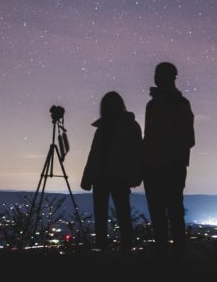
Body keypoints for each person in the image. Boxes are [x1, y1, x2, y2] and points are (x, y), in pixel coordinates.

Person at [142, 61, 194, 258]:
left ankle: (175, 255)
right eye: (156, 73)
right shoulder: (153, 105)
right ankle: (164, 255)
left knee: (172, 211)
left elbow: (188, 138)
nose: (156, 77)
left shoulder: (179, 104)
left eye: (160, 74)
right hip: (158, 166)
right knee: (162, 212)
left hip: (170, 166)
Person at [80, 91, 143, 253]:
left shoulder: (116, 127)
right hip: (111, 177)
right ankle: (116, 249)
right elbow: (94, 154)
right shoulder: (123, 126)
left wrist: (88, 178)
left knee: (115, 215)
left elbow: (136, 153)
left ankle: (116, 249)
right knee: (118, 215)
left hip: (114, 177)